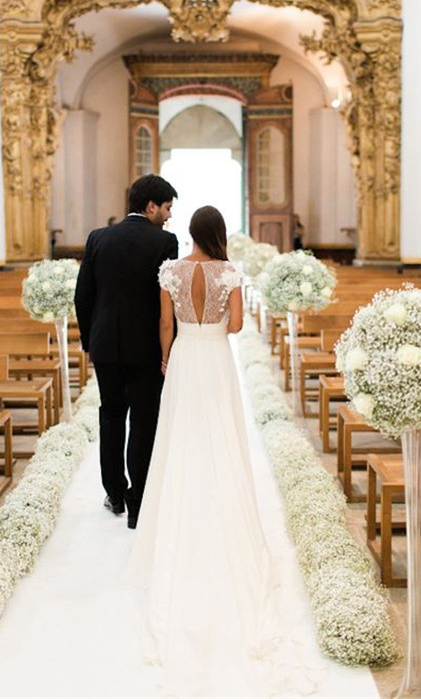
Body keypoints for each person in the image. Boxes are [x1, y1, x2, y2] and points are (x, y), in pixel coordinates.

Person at [125, 206, 316, 697]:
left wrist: (167, 354)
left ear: (190, 233)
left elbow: (163, 324)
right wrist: (214, 319)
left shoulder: (171, 270)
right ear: (219, 235)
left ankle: (182, 507)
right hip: (214, 357)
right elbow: (234, 326)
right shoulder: (228, 271)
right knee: (221, 434)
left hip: (187, 356)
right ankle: (220, 497)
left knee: (180, 435)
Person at [74, 174, 178, 529]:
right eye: (166, 208)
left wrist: (91, 341)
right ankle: (138, 503)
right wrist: (170, 348)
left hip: (106, 346)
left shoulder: (98, 238)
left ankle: (115, 493)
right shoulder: (165, 242)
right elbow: (168, 304)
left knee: (112, 415)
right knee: (144, 422)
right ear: (151, 206)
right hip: (146, 348)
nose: (168, 216)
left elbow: (83, 296)